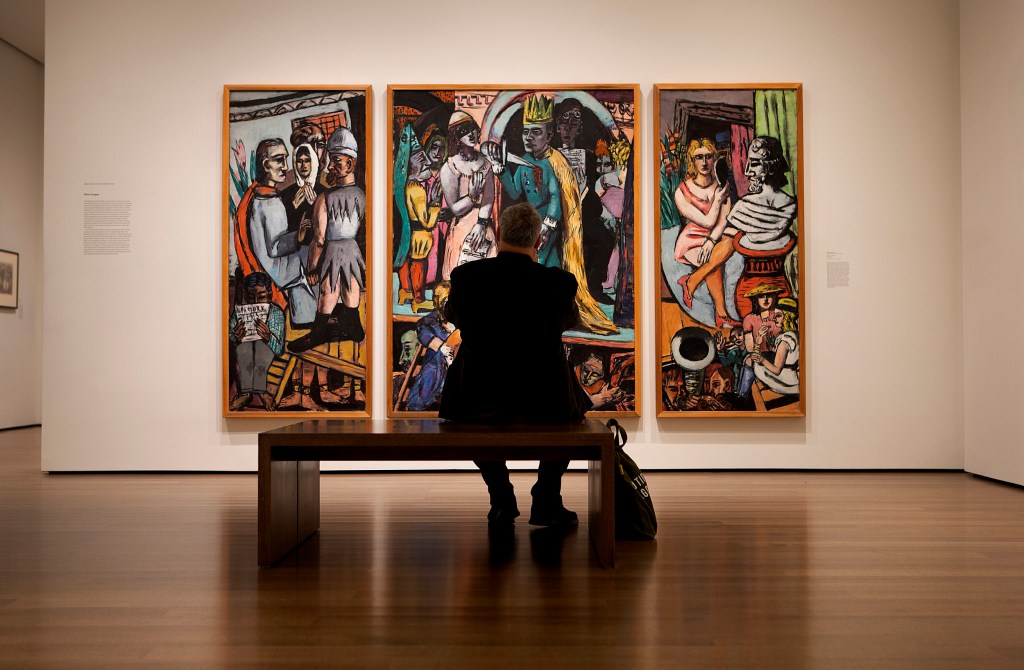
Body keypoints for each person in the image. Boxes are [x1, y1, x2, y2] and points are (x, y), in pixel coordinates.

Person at [439, 203, 592, 527]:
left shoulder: (468, 277)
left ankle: (501, 497)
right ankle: (547, 497)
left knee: (471, 412)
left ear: (500, 234)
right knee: (570, 402)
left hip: (478, 396)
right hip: (545, 399)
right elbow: (570, 320)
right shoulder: (558, 283)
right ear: (538, 241)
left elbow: (452, 316)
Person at [486, 94, 617, 336]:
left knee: (541, 267)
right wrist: (500, 170)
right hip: (531, 227)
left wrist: (549, 224)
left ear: (549, 136)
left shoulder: (551, 163)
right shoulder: (524, 161)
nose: (529, 138)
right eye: (526, 132)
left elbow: (557, 197)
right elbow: (515, 192)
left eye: (535, 132)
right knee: (549, 269)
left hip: (549, 226)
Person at [289, 126, 366, 353]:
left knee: (327, 292)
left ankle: (320, 332)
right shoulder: (362, 196)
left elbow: (319, 239)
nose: (330, 166)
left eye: (335, 160)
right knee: (350, 292)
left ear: (349, 164)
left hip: (333, 250)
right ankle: (348, 326)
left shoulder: (325, 198)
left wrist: (312, 266)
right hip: (352, 250)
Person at [673, 137, 740, 328]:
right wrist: (717, 200)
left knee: (730, 241)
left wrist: (711, 241)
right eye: (698, 157)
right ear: (692, 161)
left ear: (714, 159)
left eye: (709, 157)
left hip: (714, 237)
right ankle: (721, 314)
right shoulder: (682, 191)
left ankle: (691, 281)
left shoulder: (721, 186)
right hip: (692, 239)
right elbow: (707, 221)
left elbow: (722, 222)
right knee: (713, 262)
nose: (704, 162)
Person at [727, 136, 797, 252]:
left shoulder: (742, 206)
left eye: (754, 164)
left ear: (770, 167)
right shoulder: (742, 206)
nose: (747, 171)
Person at [228, 272, 285, 411]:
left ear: (269, 295)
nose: (256, 302)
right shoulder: (238, 314)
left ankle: (261, 391)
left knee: (261, 347)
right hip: (245, 353)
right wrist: (236, 338)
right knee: (243, 348)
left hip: (264, 353)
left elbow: (279, 350)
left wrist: (268, 337)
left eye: (261, 297)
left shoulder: (276, 314)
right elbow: (228, 338)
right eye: (251, 297)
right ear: (246, 296)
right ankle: (245, 392)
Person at [749, 297, 799, 395]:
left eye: (779, 315)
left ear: (787, 317)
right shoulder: (795, 334)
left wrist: (761, 360)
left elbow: (776, 370)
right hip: (793, 378)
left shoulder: (785, 340)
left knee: (756, 365)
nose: (774, 318)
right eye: (775, 315)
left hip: (786, 382)